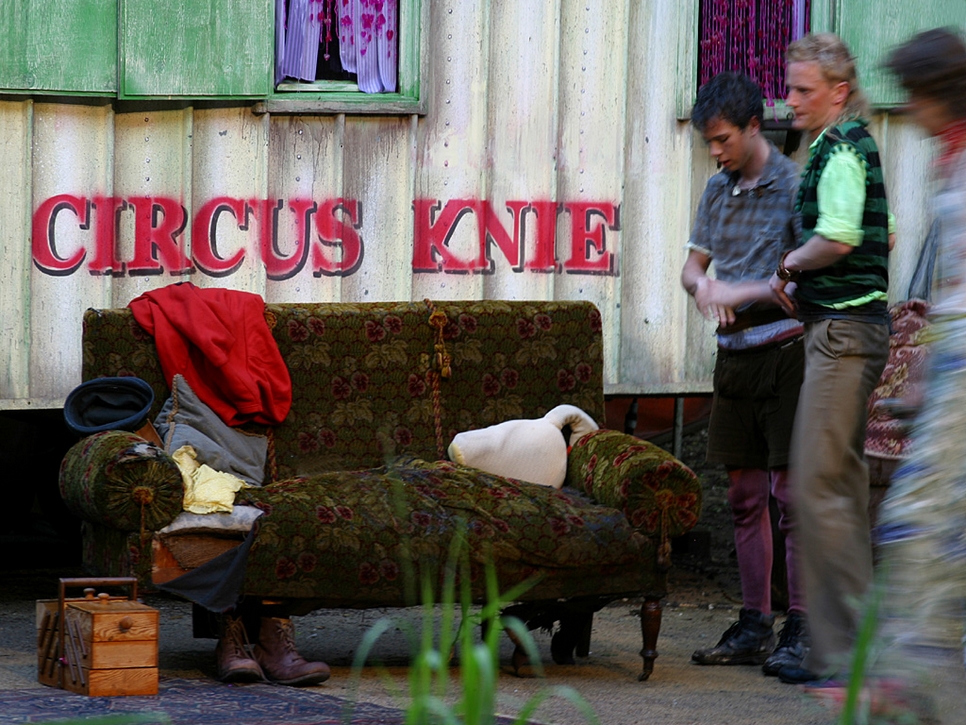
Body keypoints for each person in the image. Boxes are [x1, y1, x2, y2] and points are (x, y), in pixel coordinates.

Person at [847, 26, 966, 718]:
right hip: (953, 349)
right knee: (928, 515)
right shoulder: (950, 157)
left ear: (938, 91)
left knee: (922, 513)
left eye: (914, 94)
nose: (909, 108)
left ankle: (912, 677)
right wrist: (923, 372)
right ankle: (915, 671)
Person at [768, 33, 891, 685]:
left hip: (844, 334)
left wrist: (791, 264)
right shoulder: (845, 145)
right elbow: (881, 234)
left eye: (802, 90)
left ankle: (844, 652)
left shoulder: (841, 147)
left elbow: (840, 237)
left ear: (838, 92)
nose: (790, 100)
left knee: (818, 488)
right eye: (790, 87)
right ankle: (849, 648)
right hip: (847, 329)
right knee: (837, 486)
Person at [681, 71, 810, 676]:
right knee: (742, 497)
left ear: (754, 126)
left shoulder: (794, 185)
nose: (716, 151)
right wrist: (704, 287)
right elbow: (692, 269)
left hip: (785, 353)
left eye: (723, 139)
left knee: (790, 496)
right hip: (733, 355)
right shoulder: (716, 189)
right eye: (709, 141)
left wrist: (740, 289)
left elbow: (801, 281)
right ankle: (754, 623)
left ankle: (800, 626)